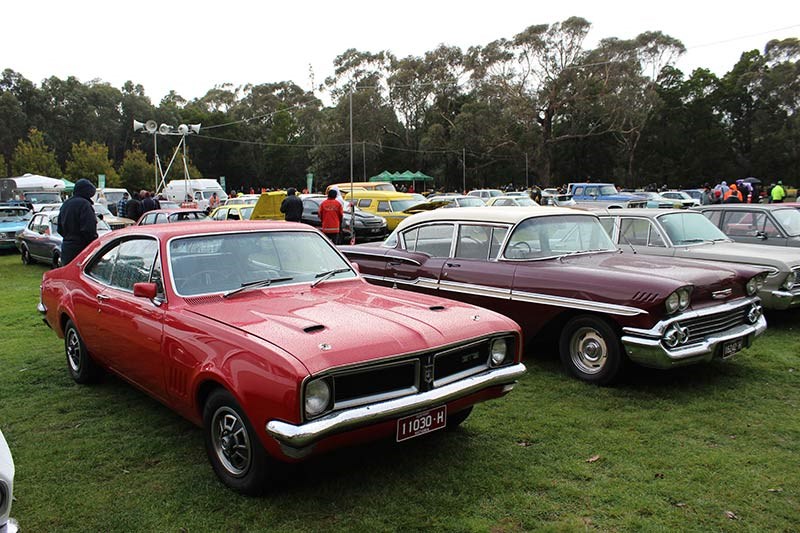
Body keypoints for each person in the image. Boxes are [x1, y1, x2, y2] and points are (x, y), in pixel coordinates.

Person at [57, 179, 98, 265]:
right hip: (81, 249)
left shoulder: (66, 204)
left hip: (67, 248)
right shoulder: (85, 205)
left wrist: (69, 237)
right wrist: (94, 243)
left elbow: (59, 228)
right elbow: (89, 229)